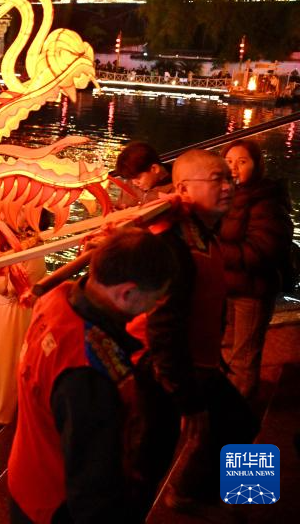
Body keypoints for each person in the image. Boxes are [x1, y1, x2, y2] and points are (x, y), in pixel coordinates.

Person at [8, 229, 178, 524]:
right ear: (127, 293)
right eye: (155, 300)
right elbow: (93, 489)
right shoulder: (89, 373)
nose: (153, 309)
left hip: (27, 475)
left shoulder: (56, 298)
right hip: (55, 504)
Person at [129, 149, 259, 520]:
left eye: (229, 179)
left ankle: (208, 494)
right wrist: (188, 399)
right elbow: (163, 328)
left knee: (240, 422)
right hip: (160, 369)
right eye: (218, 179)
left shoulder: (200, 232)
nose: (228, 186)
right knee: (146, 463)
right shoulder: (173, 243)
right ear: (183, 189)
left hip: (195, 364)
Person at [219, 140, 293, 400]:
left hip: (252, 292)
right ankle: (226, 406)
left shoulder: (267, 201)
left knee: (243, 358)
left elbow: (262, 251)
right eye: (229, 161)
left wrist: (214, 250)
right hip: (227, 287)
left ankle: (240, 412)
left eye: (242, 162)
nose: (234, 168)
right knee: (225, 350)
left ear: (256, 165)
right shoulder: (225, 197)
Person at [0, 219, 49, 427]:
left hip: (16, 310)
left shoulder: (33, 248)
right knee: (0, 356)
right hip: (1, 308)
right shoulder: (2, 237)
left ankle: (4, 411)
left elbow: (11, 288)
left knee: (10, 359)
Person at [113, 141, 172, 209]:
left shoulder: (174, 188)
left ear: (154, 168)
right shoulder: (130, 182)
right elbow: (119, 204)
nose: (134, 183)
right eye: (130, 178)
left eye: (138, 178)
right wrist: (117, 208)